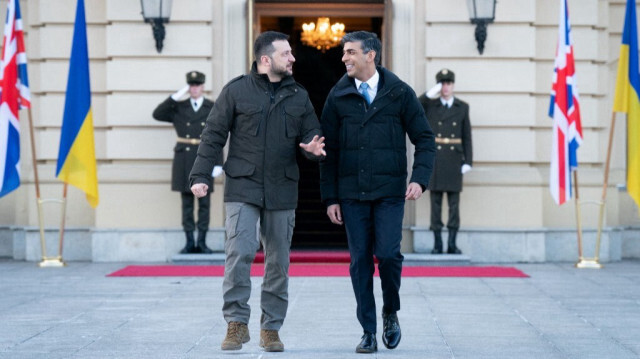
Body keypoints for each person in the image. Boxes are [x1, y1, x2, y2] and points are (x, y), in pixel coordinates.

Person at [189, 31, 325, 352]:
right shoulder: (236, 91)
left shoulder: (299, 96)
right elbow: (213, 135)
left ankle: (271, 328)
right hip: (243, 185)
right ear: (266, 60)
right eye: (286, 54)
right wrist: (200, 174)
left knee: (278, 261)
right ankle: (236, 323)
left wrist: (311, 148)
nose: (293, 58)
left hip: (282, 188)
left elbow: (311, 134)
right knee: (241, 252)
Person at [319, 31, 435, 354]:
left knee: (387, 255)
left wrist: (419, 179)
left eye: (351, 52)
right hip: (352, 194)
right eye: (344, 53)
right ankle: (368, 330)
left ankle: (390, 311)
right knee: (359, 263)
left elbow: (425, 139)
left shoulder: (399, 93)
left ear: (371, 55)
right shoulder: (337, 97)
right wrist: (330, 197)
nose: (345, 58)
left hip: (389, 192)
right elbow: (327, 151)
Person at [153, 71, 222, 254]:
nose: (194, 89)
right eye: (191, 86)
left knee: (204, 204)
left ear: (203, 87)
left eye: (197, 85)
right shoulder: (179, 107)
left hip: (205, 157)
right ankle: (189, 242)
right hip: (184, 159)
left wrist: (218, 163)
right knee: (187, 204)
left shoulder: (211, 107)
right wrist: (176, 96)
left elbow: (219, 135)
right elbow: (157, 114)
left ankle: (202, 242)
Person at [418, 69, 473, 254]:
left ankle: (452, 243)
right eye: (442, 83)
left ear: (453, 85)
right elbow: (416, 105)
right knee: (435, 205)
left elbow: (467, 136)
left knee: (454, 206)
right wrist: (428, 94)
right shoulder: (431, 105)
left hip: (455, 159)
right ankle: (437, 244)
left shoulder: (462, 107)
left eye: (449, 83)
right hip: (437, 159)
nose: (446, 87)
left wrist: (468, 161)